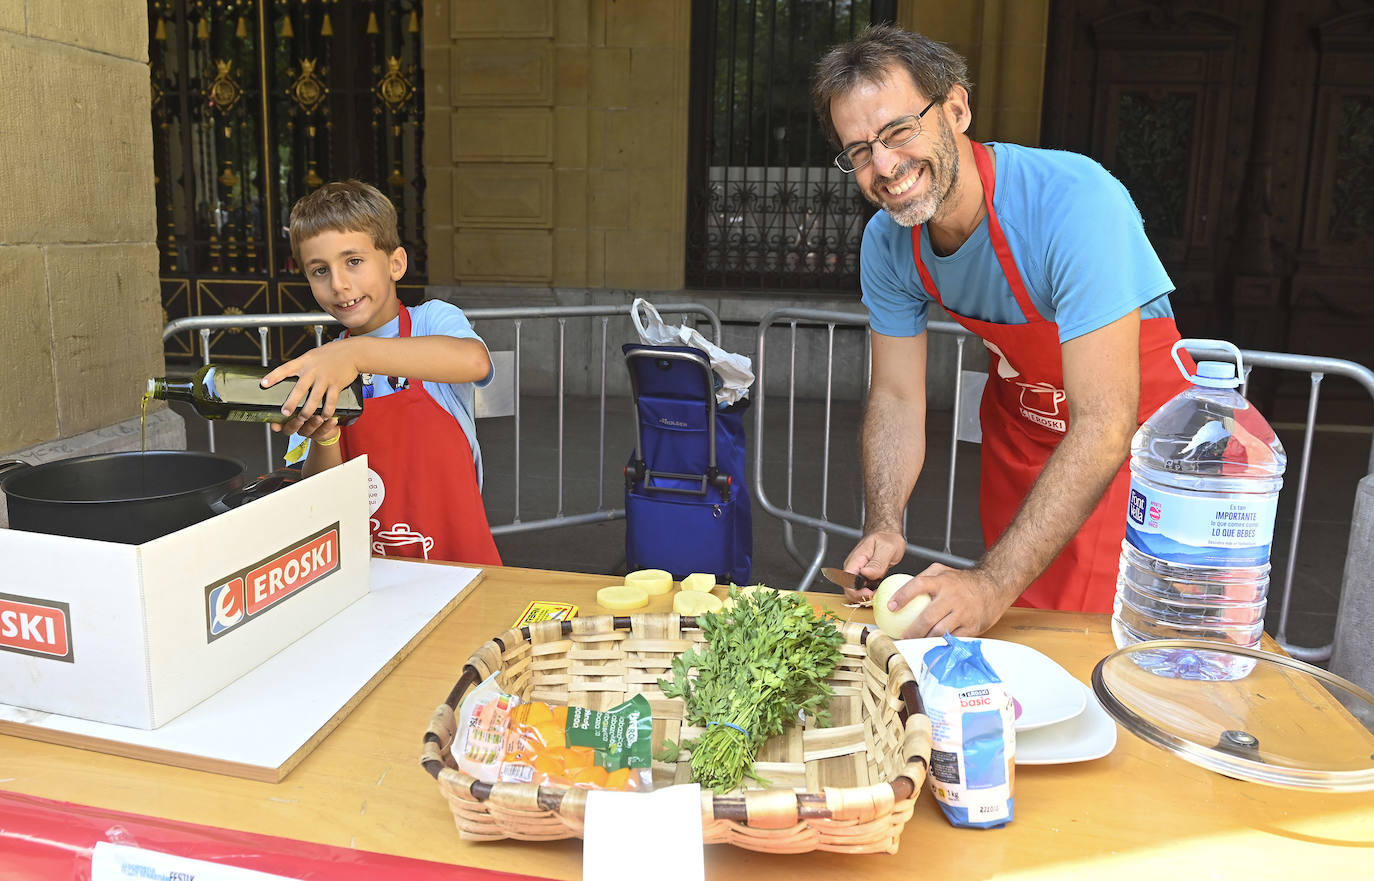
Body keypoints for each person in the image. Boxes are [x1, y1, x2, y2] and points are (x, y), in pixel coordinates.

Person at [812, 25, 1192, 637]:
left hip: (1131, 443)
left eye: (899, 131)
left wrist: (989, 582)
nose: (884, 166)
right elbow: (897, 397)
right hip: (1023, 437)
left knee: (1094, 642)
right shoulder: (888, 243)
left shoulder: (1073, 202)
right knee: (1017, 631)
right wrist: (884, 521)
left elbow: (1105, 421)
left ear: (956, 110)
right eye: (859, 151)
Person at [263, 179, 502, 566]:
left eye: (353, 261)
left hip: (460, 562)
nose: (339, 284)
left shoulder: (430, 321)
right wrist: (325, 438)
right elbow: (320, 498)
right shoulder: (323, 369)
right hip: (370, 570)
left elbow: (475, 361)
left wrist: (355, 353)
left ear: (396, 263)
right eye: (320, 270)